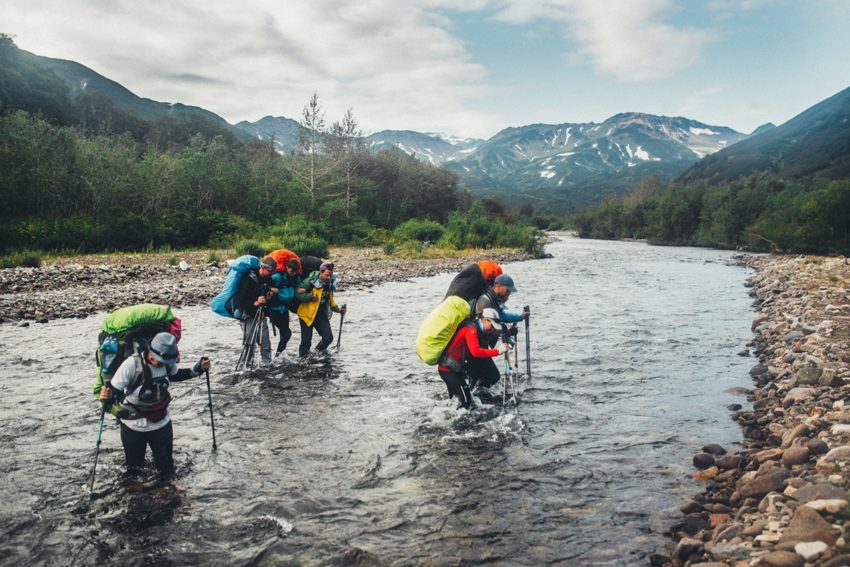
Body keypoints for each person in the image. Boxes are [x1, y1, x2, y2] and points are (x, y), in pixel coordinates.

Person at [97, 332, 212, 483]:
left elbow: (176, 375)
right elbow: (114, 390)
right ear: (149, 351)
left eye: (164, 361)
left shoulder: (168, 363)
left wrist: (198, 369)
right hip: (133, 426)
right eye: (156, 359)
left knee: (166, 468)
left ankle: (167, 493)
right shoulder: (132, 364)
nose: (160, 363)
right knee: (134, 470)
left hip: (161, 423)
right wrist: (106, 395)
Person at [437, 308, 509, 409]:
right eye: (492, 325)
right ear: (485, 319)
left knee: (456, 400)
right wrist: (498, 351)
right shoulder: (470, 330)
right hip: (448, 370)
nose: (492, 328)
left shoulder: (477, 328)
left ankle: (452, 416)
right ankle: (455, 419)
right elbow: (476, 352)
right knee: (466, 400)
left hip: (455, 368)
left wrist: (506, 333)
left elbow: (488, 335)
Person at [296, 261, 347, 360]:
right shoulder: (310, 281)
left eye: (330, 275)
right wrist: (310, 297)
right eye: (327, 275)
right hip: (307, 315)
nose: (328, 277)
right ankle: (302, 361)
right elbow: (297, 293)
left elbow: (330, 301)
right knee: (306, 342)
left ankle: (316, 355)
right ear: (321, 272)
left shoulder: (329, 283)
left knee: (328, 338)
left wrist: (339, 310)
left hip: (320, 314)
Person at [235, 255, 277, 365]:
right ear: (262, 267)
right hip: (247, 315)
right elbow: (241, 300)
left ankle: (267, 365)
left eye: (273, 272)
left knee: (265, 342)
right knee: (250, 343)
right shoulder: (248, 278)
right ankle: (245, 365)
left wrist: (269, 297)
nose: (272, 274)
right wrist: (256, 302)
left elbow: (270, 300)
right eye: (270, 271)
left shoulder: (269, 279)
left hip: (261, 314)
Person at [268, 258, 311, 357]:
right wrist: (271, 289)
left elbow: (297, 289)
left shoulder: (297, 278)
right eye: (292, 271)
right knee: (287, 333)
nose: (294, 273)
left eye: (296, 271)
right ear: (286, 267)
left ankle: (281, 355)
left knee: (284, 334)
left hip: (285, 308)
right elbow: (265, 286)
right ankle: (278, 355)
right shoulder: (277, 277)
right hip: (275, 309)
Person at [475, 273, 528, 348]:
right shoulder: (485, 301)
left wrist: (520, 317)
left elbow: (502, 316)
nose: (509, 293)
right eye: (507, 290)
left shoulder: (494, 300)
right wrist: (506, 332)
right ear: (498, 286)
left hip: (482, 343)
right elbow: (484, 327)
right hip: (476, 344)